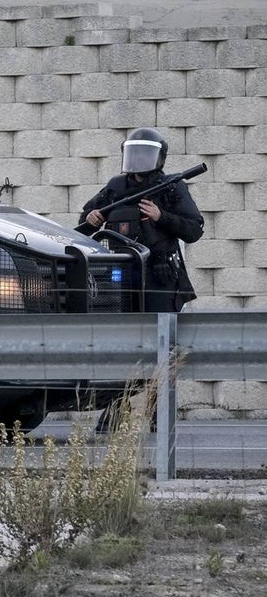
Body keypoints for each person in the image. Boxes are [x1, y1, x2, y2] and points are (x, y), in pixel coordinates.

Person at [79, 127, 204, 432]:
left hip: (162, 280)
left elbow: (194, 229)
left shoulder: (171, 187)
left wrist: (162, 216)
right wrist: (91, 218)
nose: (138, 160)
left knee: (162, 350)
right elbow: (84, 221)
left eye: (145, 153)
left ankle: (157, 414)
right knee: (123, 351)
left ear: (158, 157)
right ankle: (114, 410)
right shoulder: (116, 186)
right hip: (122, 283)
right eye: (134, 153)